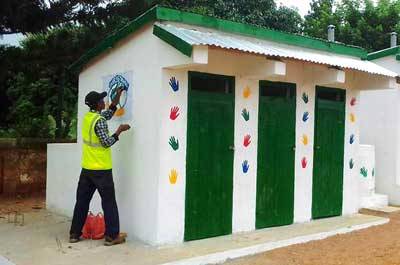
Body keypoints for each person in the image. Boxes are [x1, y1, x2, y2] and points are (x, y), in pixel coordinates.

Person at [69, 89, 131, 246]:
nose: (104, 102)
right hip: (101, 170)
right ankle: (112, 236)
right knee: (109, 202)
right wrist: (119, 131)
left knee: (82, 202)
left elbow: (108, 114)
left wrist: (116, 98)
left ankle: (74, 234)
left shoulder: (89, 118)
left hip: (87, 168)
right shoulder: (99, 121)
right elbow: (106, 142)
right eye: (102, 100)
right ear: (97, 104)